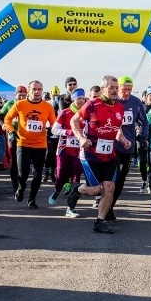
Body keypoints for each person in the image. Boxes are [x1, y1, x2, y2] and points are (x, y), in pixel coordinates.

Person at [66, 75, 132, 234]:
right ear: (103, 89)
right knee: (95, 190)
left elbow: (117, 129)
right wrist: (81, 138)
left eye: (116, 88)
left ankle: (100, 222)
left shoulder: (119, 107)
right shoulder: (92, 104)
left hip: (109, 153)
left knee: (109, 187)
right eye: (111, 88)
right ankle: (77, 189)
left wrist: (123, 139)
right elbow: (74, 121)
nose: (115, 91)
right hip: (91, 152)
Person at [3, 80, 57, 209]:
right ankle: (21, 188)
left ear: (42, 91)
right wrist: (11, 131)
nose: (37, 92)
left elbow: (54, 123)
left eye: (39, 89)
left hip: (40, 145)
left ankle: (32, 199)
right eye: (34, 89)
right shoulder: (20, 104)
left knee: (38, 174)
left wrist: (52, 130)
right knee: (23, 172)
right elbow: (7, 118)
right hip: (23, 143)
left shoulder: (47, 106)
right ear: (29, 91)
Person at [109, 76, 149, 221]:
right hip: (113, 146)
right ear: (118, 88)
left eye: (129, 90)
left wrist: (143, 137)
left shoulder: (136, 102)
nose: (126, 93)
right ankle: (106, 207)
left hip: (128, 147)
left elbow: (145, 122)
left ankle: (110, 206)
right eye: (124, 89)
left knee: (121, 180)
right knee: (112, 178)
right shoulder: (113, 102)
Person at [49, 88, 86, 217]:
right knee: (61, 176)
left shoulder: (86, 113)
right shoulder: (65, 113)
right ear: (73, 99)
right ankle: (56, 191)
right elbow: (54, 130)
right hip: (64, 150)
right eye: (79, 98)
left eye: (83, 98)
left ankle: (71, 208)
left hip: (79, 151)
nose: (81, 101)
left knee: (76, 178)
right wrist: (68, 132)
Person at [0, 85, 28, 194]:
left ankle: (22, 183)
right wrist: (3, 125)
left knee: (24, 163)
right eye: (20, 95)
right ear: (15, 95)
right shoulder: (10, 104)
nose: (22, 97)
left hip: (26, 137)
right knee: (15, 162)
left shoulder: (28, 104)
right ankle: (15, 185)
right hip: (13, 137)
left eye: (24, 95)